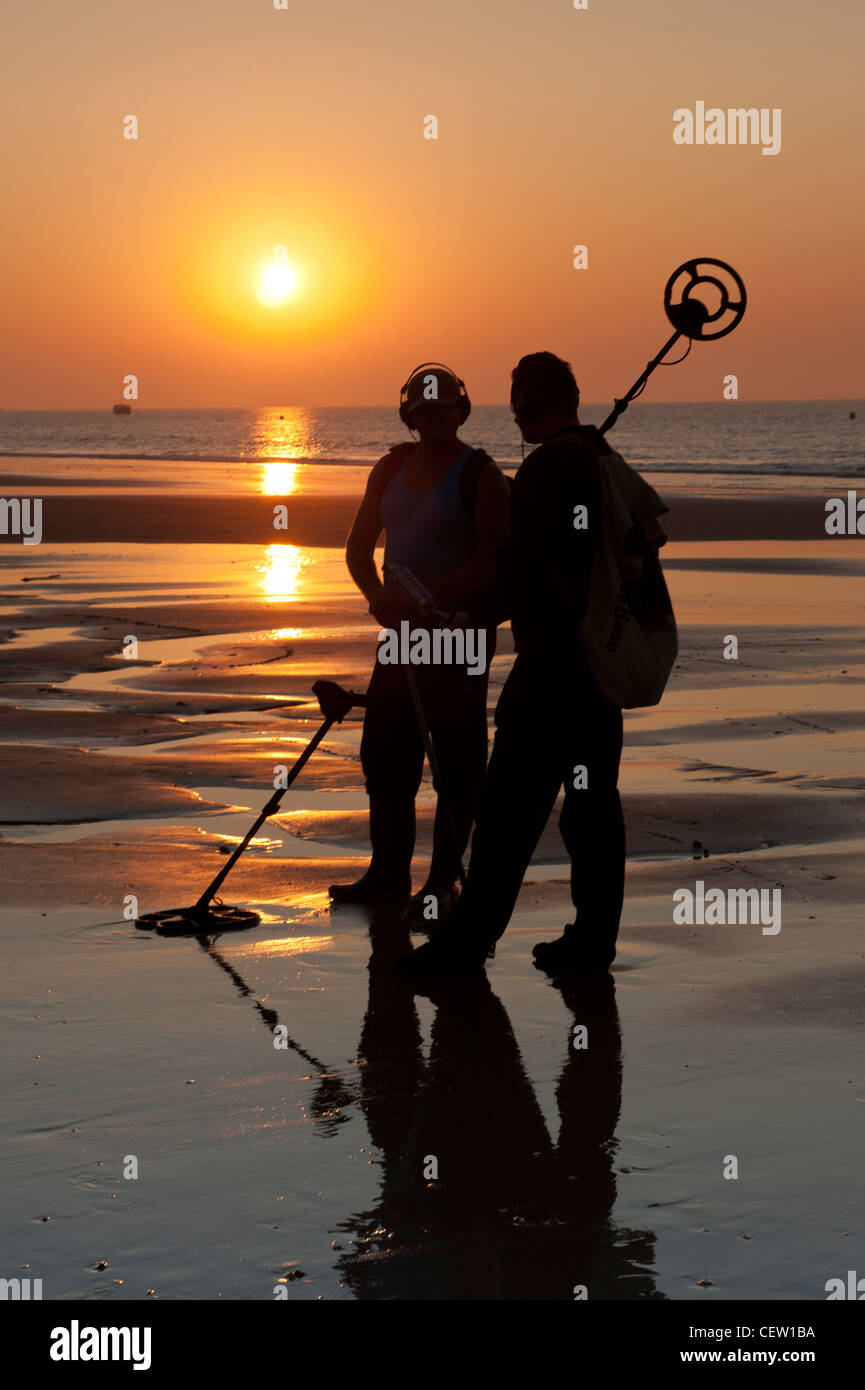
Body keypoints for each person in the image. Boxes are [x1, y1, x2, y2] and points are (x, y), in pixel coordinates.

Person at [401, 351, 636, 974]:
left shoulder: (547, 469)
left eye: (516, 400)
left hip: (550, 674)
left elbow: (523, 575)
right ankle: (592, 942)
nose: (512, 413)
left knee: (506, 813)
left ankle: (465, 942)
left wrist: (470, 614)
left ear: (526, 403)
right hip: (598, 673)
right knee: (592, 810)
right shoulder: (599, 460)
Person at [329, 363, 510, 914]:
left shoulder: (481, 474)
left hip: (459, 635)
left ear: (462, 411)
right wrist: (378, 598)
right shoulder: (389, 468)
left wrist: (422, 593)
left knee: (456, 763)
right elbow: (359, 550)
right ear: (409, 414)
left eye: (445, 408)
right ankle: (387, 875)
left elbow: (491, 564)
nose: (434, 418)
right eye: (424, 410)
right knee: (385, 754)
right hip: (402, 636)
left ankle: (444, 882)